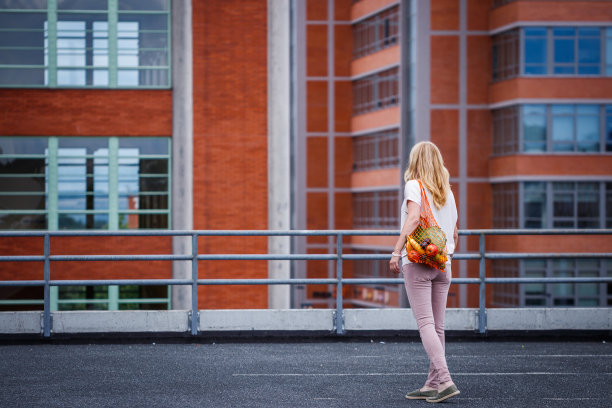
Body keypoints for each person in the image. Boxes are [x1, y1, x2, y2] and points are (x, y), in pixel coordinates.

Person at [389, 141, 460, 403]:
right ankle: (432, 385)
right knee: (437, 327)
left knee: (426, 325)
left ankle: (445, 379)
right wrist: (446, 255)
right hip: (443, 264)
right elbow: (454, 233)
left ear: (415, 161)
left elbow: (414, 218)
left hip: (418, 262)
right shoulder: (447, 193)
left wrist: (396, 251)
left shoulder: (414, 185)